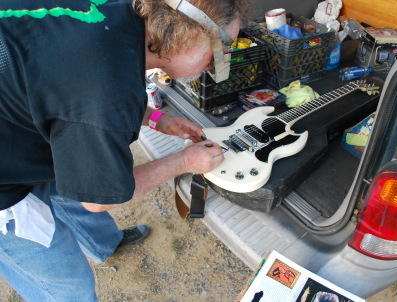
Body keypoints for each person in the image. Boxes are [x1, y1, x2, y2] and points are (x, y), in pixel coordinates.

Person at [0, 0, 250, 300]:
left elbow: (78, 95)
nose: (216, 62)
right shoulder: (102, 89)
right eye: (220, 47)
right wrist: (184, 161)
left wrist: (158, 118)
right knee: (68, 287)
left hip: (18, 120)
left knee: (68, 176)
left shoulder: (121, 13)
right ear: (188, 35)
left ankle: (105, 245)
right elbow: (95, 199)